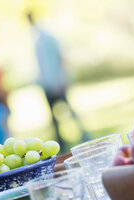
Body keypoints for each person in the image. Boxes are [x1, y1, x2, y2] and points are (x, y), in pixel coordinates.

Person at [27, 13, 88, 152]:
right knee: (53, 118)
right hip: (46, 84)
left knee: (70, 111)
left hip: (57, 82)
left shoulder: (48, 36)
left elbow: (60, 57)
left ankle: (84, 135)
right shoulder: (35, 40)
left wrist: (61, 80)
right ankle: (61, 143)